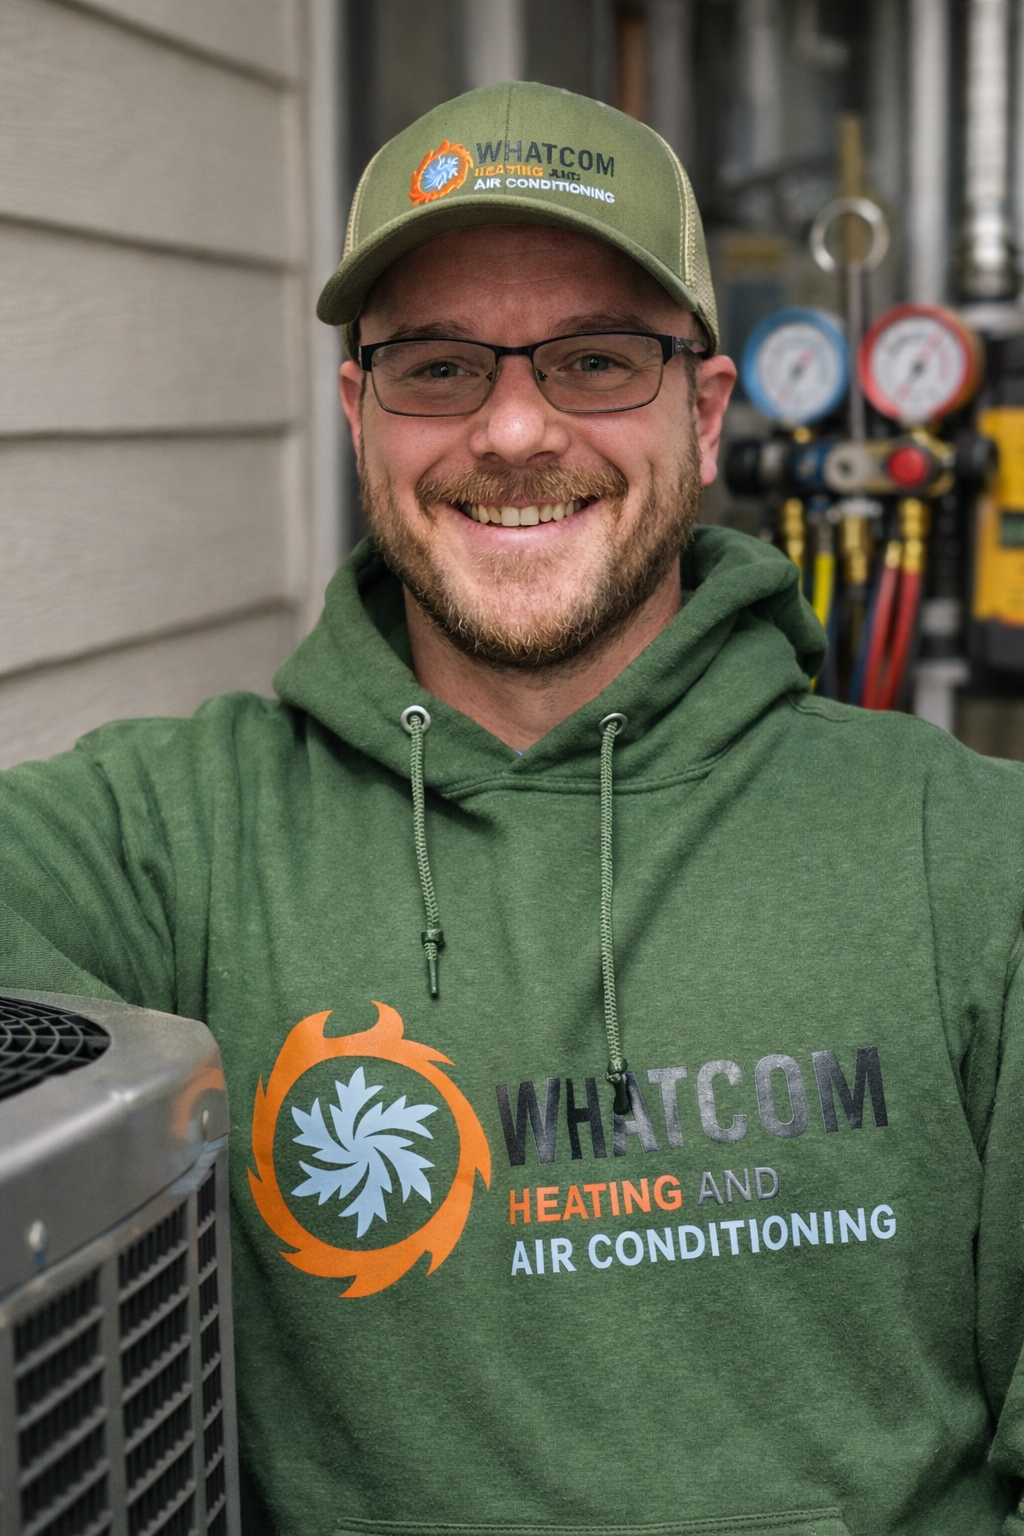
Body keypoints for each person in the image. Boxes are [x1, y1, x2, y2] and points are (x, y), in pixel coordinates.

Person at [3, 80, 1022, 1536]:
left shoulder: (975, 862)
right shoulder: (169, 844)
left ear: (708, 410)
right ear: (360, 414)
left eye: (598, 359)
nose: (518, 426)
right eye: (438, 366)